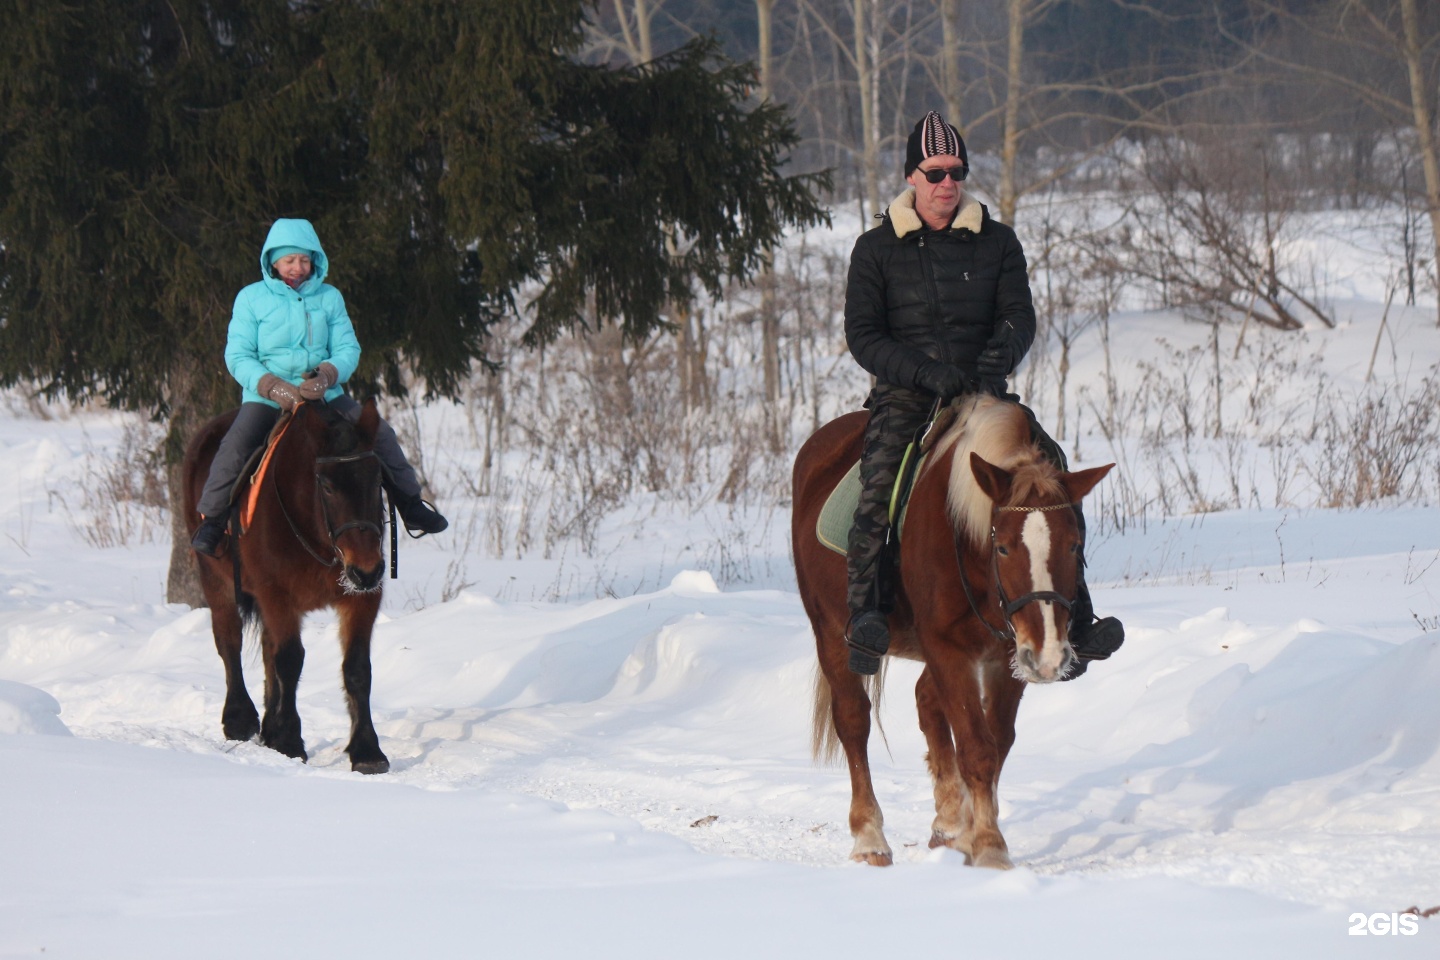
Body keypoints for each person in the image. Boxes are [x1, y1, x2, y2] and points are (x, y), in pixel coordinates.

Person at [841, 111, 1123, 676]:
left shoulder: (998, 242)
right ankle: (866, 615)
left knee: (1056, 479)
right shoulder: (875, 249)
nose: (948, 182)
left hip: (986, 397)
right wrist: (924, 372)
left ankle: (1082, 616)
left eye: (957, 171)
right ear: (912, 177)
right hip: (908, 397)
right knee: (878, 484)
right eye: (936, 171)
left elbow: (1019, 315)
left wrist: (998, 357)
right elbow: (863, 335)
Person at [190, 218, 448, 557]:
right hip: (266, 398)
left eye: (304, 260)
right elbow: (238, 355)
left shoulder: (330, 297)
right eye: (289, 260)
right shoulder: (251, 298)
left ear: (315, 261)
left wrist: (327, 375)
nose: (297, 268)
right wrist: (272, 386)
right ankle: (212, 520)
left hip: (326, 396)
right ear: (273, 262)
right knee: (236, 445)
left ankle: (411, 506)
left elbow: (348, 349)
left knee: (381, 435)